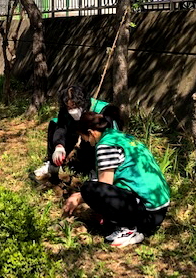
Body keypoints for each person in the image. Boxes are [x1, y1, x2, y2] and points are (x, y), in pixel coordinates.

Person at [63, 111, 170, 248]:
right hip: (159, 207)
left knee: (89, 189)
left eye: (83, 137)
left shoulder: (105, 146)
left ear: (91, 132)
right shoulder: (121, 137)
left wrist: (78, 197)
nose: (84, 141)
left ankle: (129, 228)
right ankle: (131, 224)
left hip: (148, 214)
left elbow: (103, 187)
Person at [33, 86, 123, 180]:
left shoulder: (103, 110)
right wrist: (59, 146)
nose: (72, 110)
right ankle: (53, 164)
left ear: (83, 102)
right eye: (69, 107)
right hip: (78, 131)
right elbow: (61, 126)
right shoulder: (65, 111)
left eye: (75, 106)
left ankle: (95, 169)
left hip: (97, 140)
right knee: (54, 123)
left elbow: (112, 136)